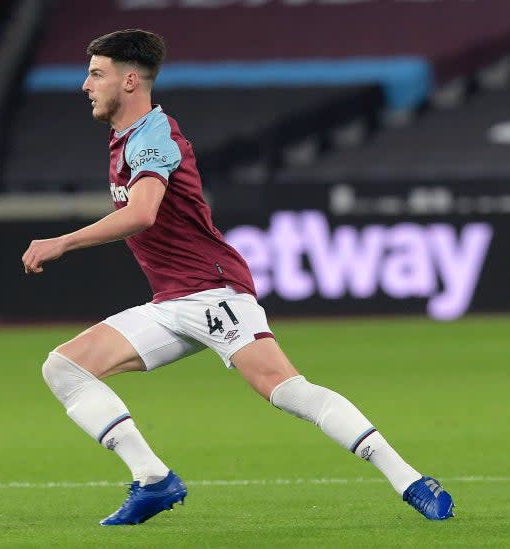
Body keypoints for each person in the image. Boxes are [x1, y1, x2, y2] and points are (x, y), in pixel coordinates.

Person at [22, 29, 455, 526]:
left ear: (130, 80)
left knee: (288, 391)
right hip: (170, 301)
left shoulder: (154, 136)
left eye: (96, 73)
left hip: (212, 291)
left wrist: (62, 242)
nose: (85, 85)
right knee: (63, 368)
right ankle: (153, 480)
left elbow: (142, 214)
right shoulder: (124, 140)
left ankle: (412, 481)